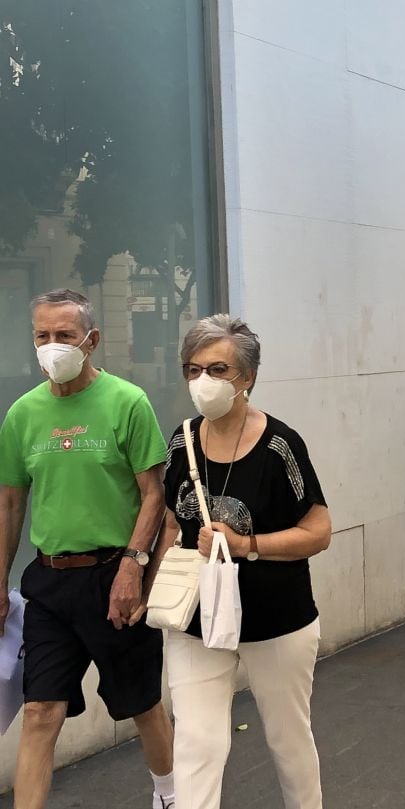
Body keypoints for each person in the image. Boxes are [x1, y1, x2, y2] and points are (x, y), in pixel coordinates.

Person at [0, 289, 175, 809]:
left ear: (91, 340)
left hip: (115, 577)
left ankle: (169, 794)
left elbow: (154, 495)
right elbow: (10, 506)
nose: (52, 346)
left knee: (140, 703)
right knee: (40, 712)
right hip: (49, 584)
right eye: (42, 336)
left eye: (65, 336)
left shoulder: (127, 401)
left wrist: (133, 568)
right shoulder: (22, 415)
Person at [149, 315, 331, 809]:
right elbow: (170, 522)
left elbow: (318, 531)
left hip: (276, 618)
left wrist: (249, 545)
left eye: (218, 369)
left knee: (288, 741)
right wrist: (147, 579)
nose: (203, 381)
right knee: (197, 745)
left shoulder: (280, 445)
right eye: (193, 369)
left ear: (247, 377)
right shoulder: (181, 439)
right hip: (196, 620)